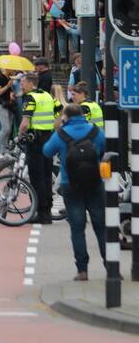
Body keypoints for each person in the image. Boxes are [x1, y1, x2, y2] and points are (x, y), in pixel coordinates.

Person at [43, 104, 106, 281]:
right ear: (82, 115)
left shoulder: (61, 134)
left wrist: (61, 129)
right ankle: (111, 266)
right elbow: (105, 148)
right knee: (101, 226)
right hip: (95, 183)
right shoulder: (94, 130)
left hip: (70, 185)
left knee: (77, 228)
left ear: (66, 117)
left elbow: (47, 152)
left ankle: (82, 271)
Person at [19, 72, 60, 224]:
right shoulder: (48, 96)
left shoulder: (31, 98)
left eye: (23, 82)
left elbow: (24, 122)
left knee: (36, 177)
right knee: (47, 175)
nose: (21, 85)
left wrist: (19, 135)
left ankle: (41, 212)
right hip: (48, 138)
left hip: (35, 140)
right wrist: (52, 128)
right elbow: (59, 112)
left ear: (31, 83)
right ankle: (47, 212)